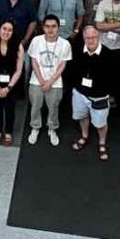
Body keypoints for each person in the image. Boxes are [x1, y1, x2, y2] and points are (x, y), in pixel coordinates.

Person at [27, 14, 73, 146]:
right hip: (37, 81)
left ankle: (52, 129)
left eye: (54, 26)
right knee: (35, 106)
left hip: (56, 82)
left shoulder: (65, 44)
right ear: (43, 27)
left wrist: (50, 81)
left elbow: (62, 65)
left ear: (58, 28)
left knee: (53, 107)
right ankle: (35, 127)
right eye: (47, 26)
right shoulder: (36, 40)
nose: (50, 29)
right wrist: (42, 81)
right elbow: (34, 61)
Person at [70, 26, 114, 162]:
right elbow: (72, 70)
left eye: (93, 37)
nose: (91, 40)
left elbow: (114, 77)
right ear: (83, 38)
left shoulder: (108, 54)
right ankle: (84, 135)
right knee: (82, 116)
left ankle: (102, 142)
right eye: (88, 37)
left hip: (99, 96)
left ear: (99, 36)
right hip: (80, 93)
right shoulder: (77, 51)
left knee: (100, 124)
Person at [0, 20, 24, 146]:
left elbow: (19, 70)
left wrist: (8, 88)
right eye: (4, 29)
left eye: (9, 30)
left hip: (12, 83)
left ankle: (8, 132)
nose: (6, 32)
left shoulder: (18, 46)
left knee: (10, 108)